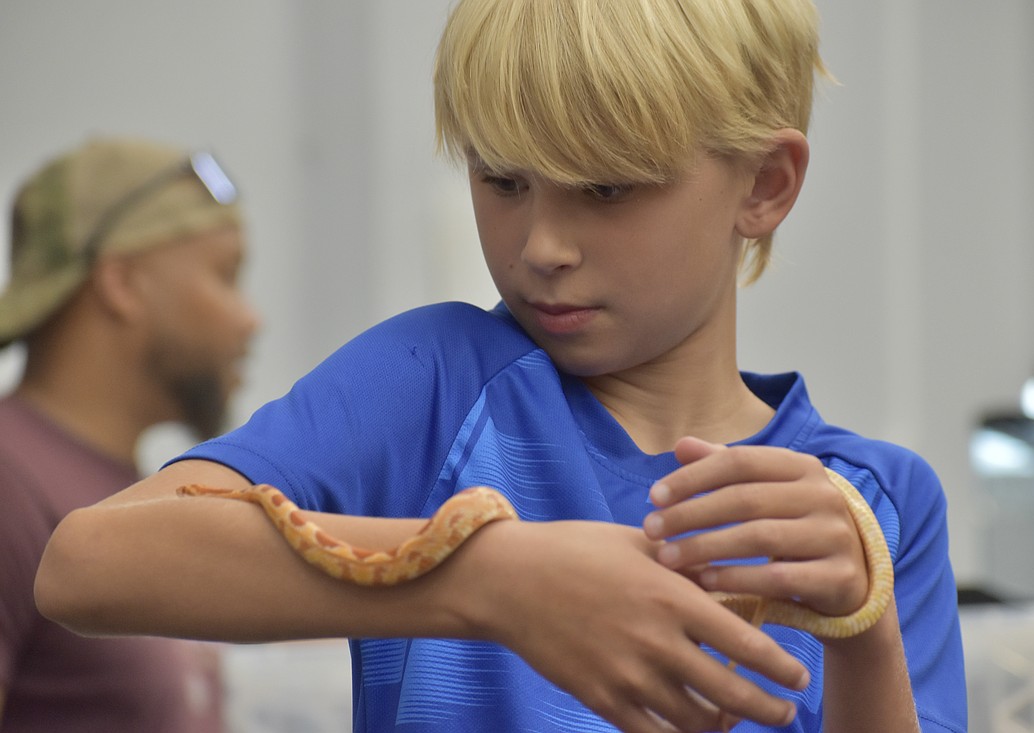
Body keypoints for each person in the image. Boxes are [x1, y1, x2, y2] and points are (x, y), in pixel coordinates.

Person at [35, 2, 967, 732]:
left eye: (606, 187)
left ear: (764, 186)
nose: (543, 245)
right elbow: (88, 563)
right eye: (502, 180)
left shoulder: (872, 504)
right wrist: (490, 581)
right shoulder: (435, 380)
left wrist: (865, 635)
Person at [0, 137, 260, 731]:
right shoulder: (8, 484)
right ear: (121, 284)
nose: (252, 318)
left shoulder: (127, 489)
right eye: (227, 275)